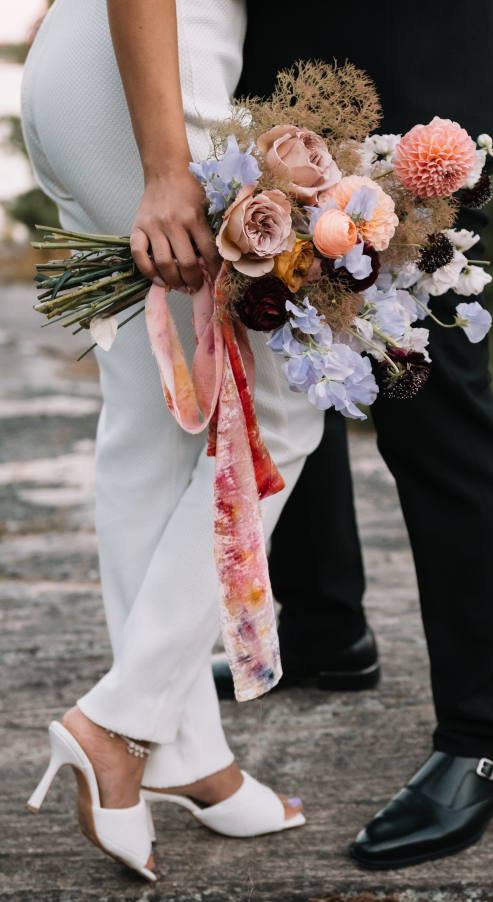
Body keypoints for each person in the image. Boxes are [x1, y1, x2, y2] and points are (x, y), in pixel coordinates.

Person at [214, 0, 493, 869]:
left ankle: (488, 738)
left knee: (431, 405)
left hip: (414, 80)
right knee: (289, 351)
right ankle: (325, 632)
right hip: (272, 80)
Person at [21, 0, 322, 881]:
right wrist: (164, 163)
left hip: (90, 67)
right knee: (282, 409)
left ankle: (182, 747)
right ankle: (120, 721)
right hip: (156, 71)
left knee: (153, 422)